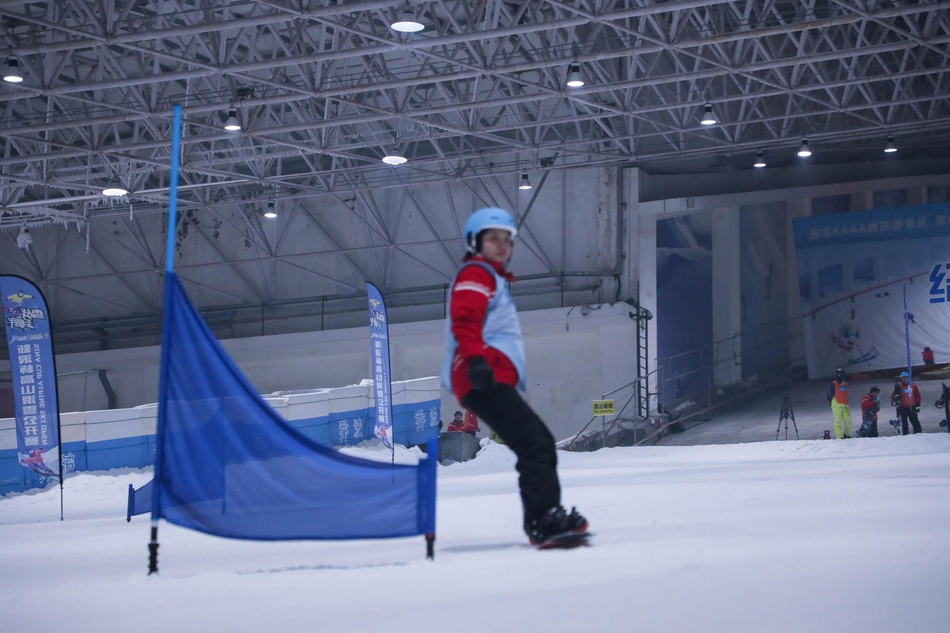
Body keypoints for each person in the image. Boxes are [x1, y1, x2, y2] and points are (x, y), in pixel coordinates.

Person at [441, 207, 588, 545]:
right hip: (481, 376)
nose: (502, 245)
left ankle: (547, 513)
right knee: (534, 444)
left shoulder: (489, 278)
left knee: (540, 442)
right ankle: (542, 520)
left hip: (491, 376)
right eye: (494, 238)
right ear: (475, 242)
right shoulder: (475, 275)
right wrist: (476, 362)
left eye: (507, 240)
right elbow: (464, 320)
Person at [826, 368, 852, 439]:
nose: (840, 376)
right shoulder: (833, 384)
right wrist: (832, 403)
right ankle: (839, 436)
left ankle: (847, 434)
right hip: (837, 406)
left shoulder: (845, 384)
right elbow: (829, 395)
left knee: (848, 422)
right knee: (838, 422)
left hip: (845, 406)